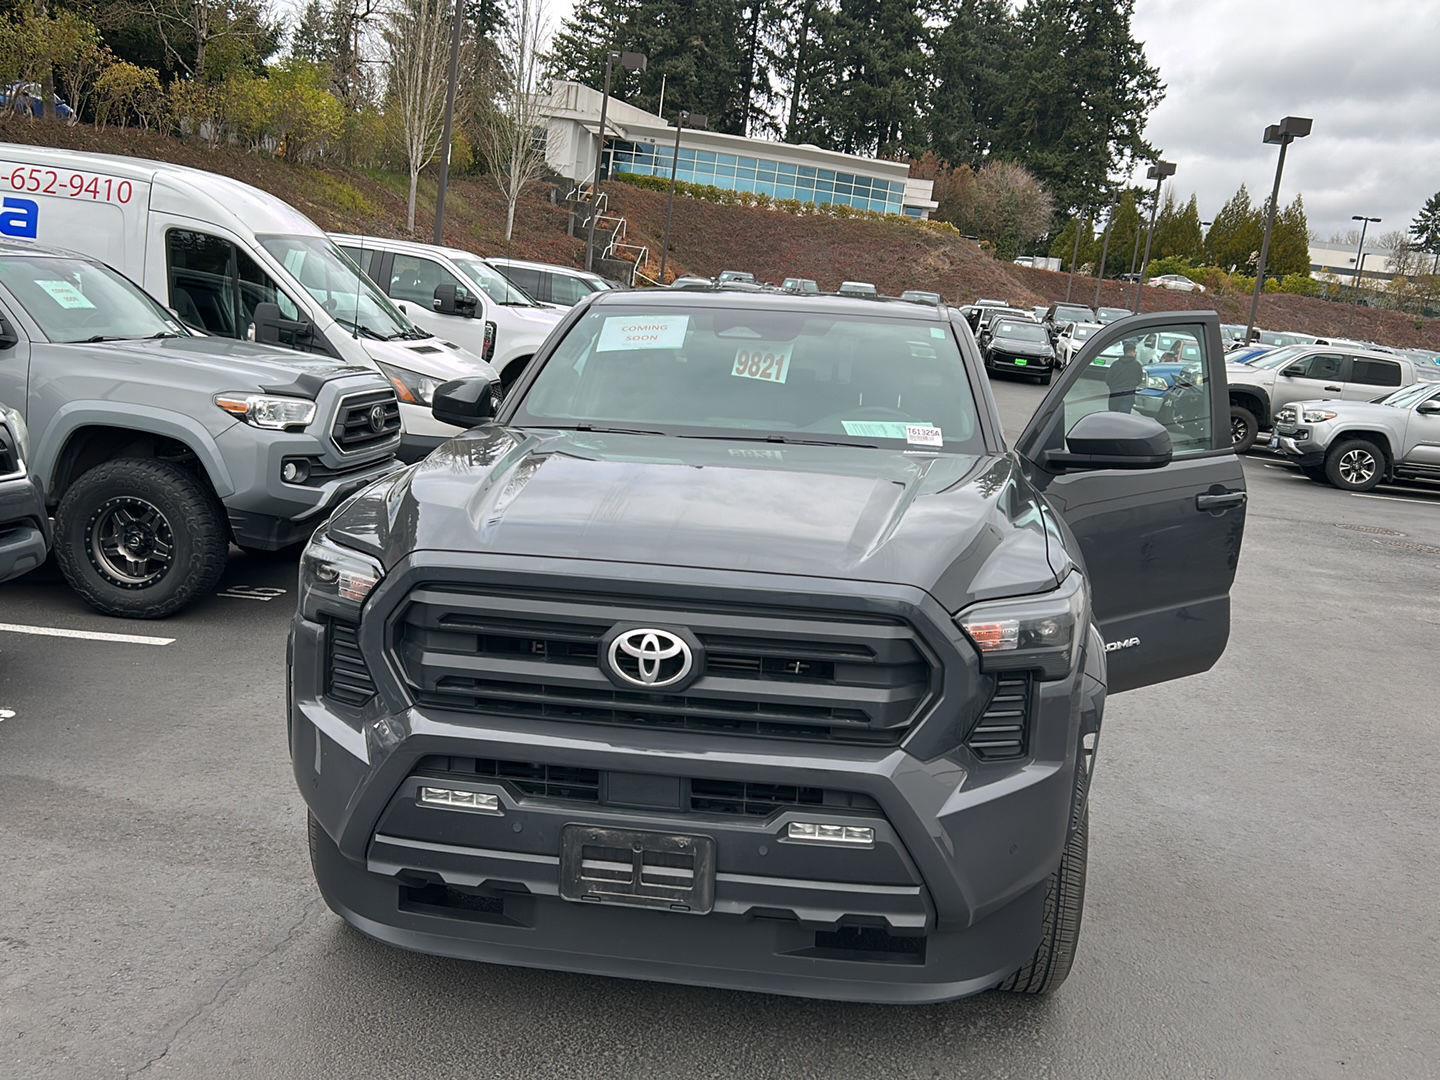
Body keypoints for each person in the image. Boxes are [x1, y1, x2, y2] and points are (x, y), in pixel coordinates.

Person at [1107, 340, 1143, 413]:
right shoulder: (1137, 365)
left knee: (1113, 415)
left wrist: (1113, 388)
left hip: (1115, 393)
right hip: (1128, 394)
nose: (1135, 353)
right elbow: (1139, 380)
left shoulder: (1115, 364)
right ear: (1132, 352)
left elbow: (1108, 379)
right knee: (1124, 417)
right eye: (1134, 351)